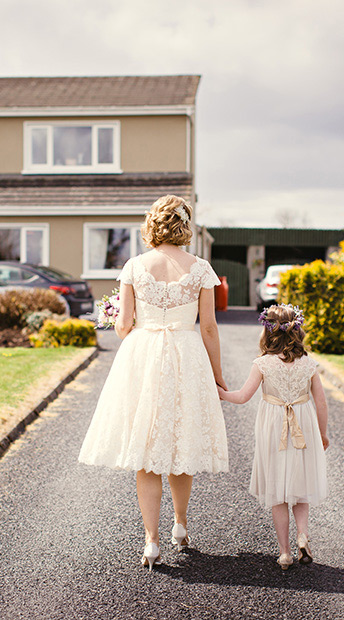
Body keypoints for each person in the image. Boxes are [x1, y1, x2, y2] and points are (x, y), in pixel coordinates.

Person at [79, 195, 229, 571]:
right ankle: (180, 525)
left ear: (153, 225)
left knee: (146, 450)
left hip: (143, 357)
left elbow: (125, 326)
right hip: (187, 353)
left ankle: (151, 542)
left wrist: (117, 317)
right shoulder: (201, 269)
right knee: (181, 442)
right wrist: (218, 374)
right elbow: (208, 326)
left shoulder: (134, 266)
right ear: (184, 226)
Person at [217, 304, 329, 570]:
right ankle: (303, 534)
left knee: (278, 493)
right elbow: (321, 403)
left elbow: (243, 396)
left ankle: (285, 553)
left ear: (267, 333)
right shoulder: (308, 364)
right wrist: (322, 434)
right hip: (303, 425)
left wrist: (220, 392)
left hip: (273, 427)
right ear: (297, 331)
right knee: (300, 487)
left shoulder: (263, 363)